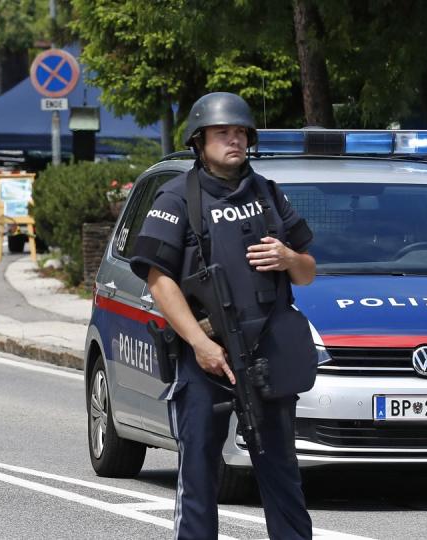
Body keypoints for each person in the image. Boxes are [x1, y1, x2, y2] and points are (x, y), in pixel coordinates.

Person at [130, 92, 316, 539]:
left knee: (281, 473)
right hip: (206, 358)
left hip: (266, 354)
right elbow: (159, 281)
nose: (234, 140)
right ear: (199, 140)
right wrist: (200, 344)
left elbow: (308, 272)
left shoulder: (268, 192)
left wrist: (289, 257)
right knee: (198, 473)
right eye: (222, 133)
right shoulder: (177, 198)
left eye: (240, 133)